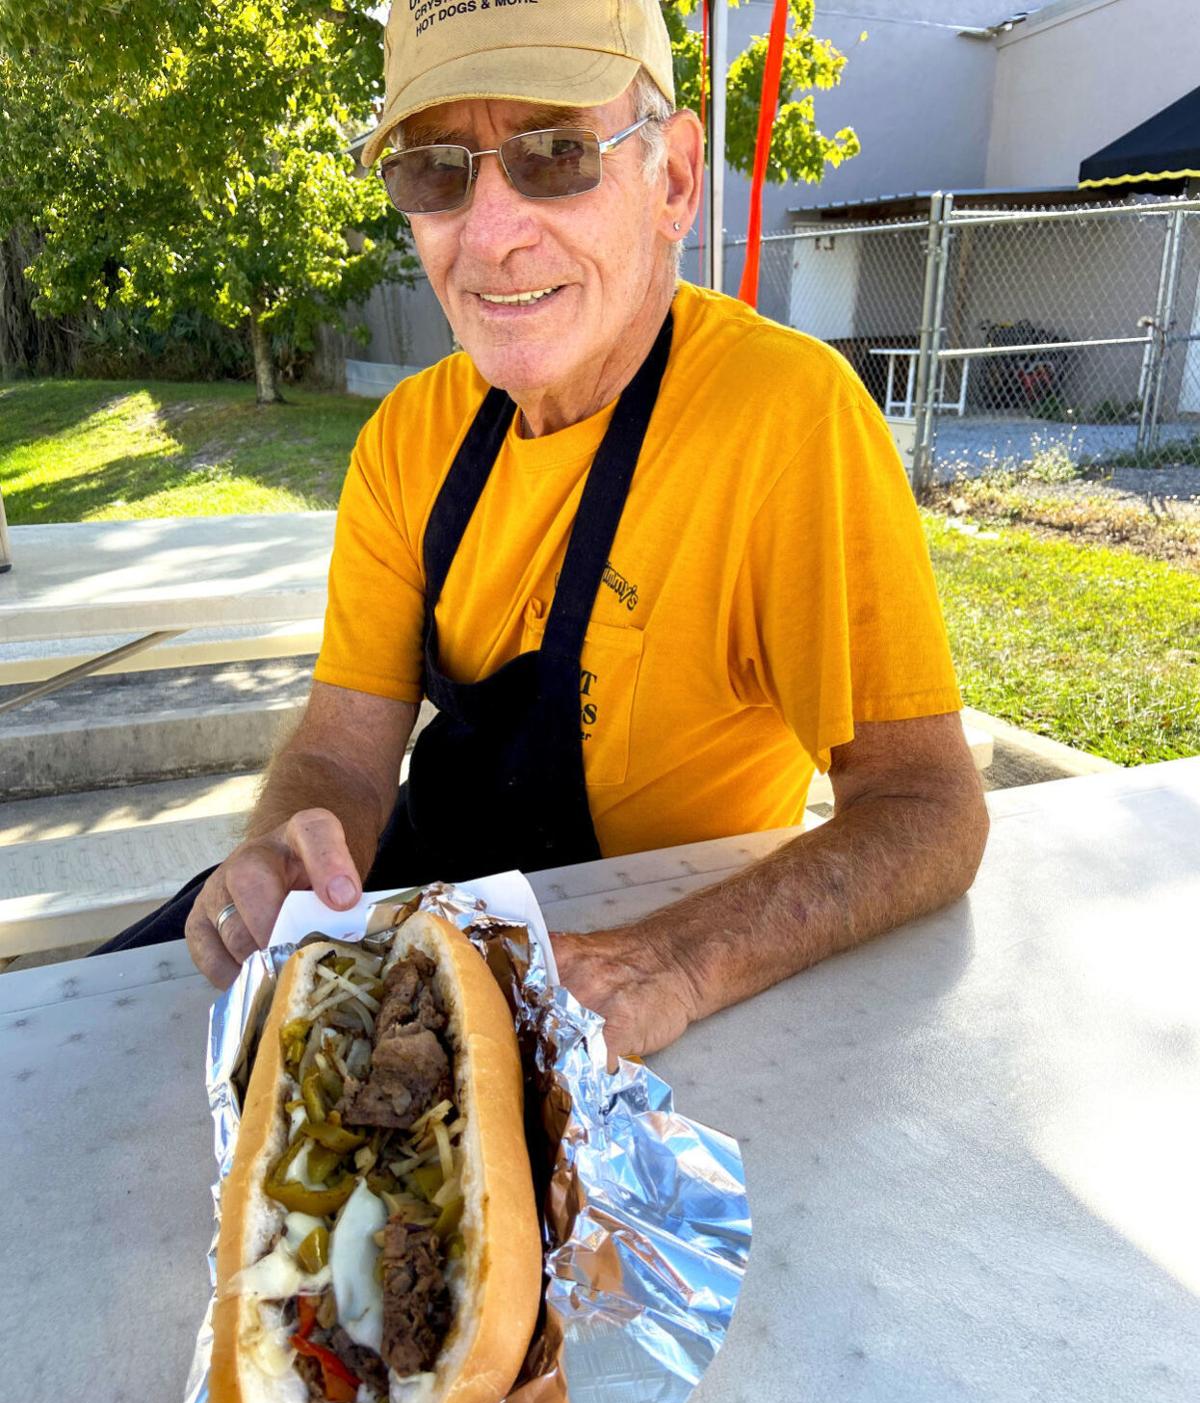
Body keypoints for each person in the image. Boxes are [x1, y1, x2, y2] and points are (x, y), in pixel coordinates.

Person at [99, 0, 988, 1057]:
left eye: (557, 153)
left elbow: (929, 806)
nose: (490, 234)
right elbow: (341, 750)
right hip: (398, 918)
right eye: (436, 168)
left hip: (618, 974)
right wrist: (285, 853)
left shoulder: (785, 418)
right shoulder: (407, 437)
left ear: (673, 180)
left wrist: (682, 954)